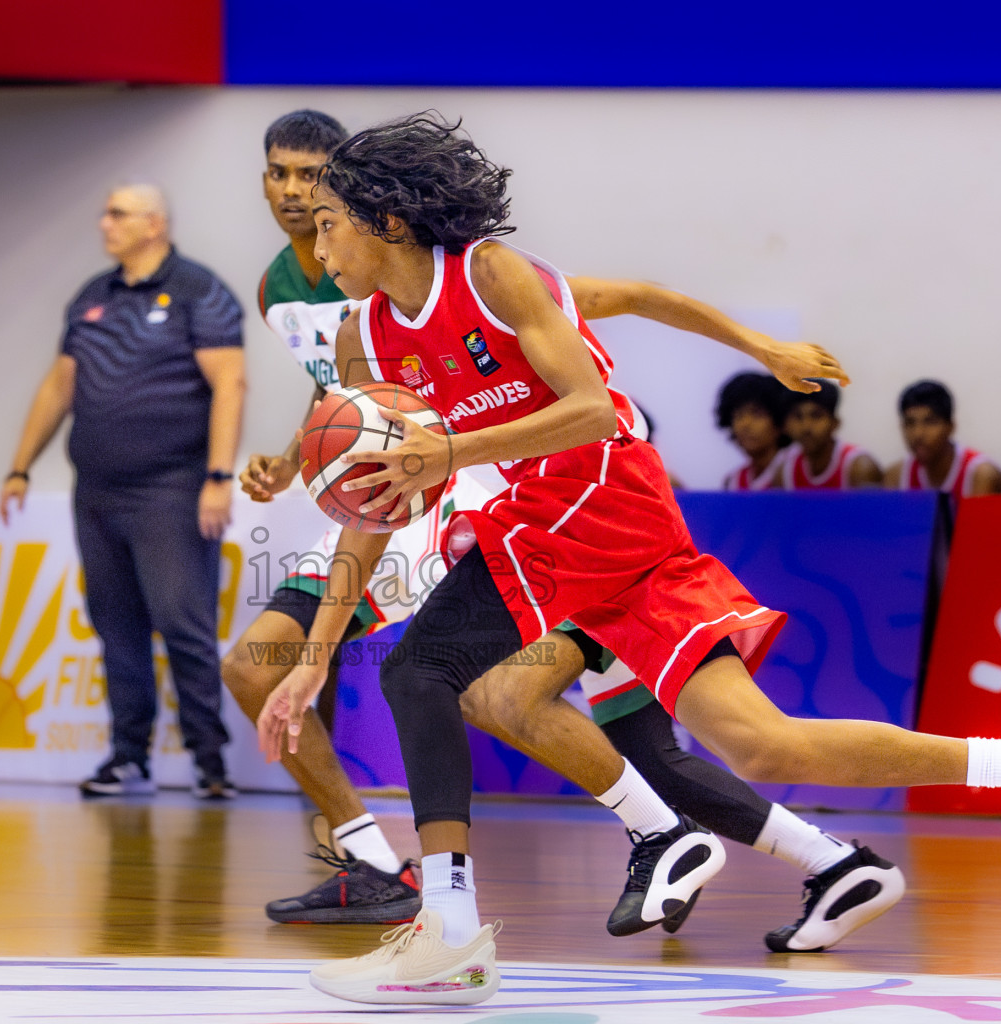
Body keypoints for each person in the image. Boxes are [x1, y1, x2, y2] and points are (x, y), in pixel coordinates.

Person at [257, 113, 1001, 1006]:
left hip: (605, 502)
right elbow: (369, 506)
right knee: (760, 745)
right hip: (557, 527)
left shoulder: (491, 276)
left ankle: (465, 922)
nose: (315, 242)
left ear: (388, 222)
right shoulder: (361, 341)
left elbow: (594, 408)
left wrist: (450, 449)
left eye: (328, 221)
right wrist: (314, 655)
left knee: (427, 673)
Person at [227, 111, 905, 949]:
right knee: (501, 698)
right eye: (281, 176)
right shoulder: (323, 306)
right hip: (473, 515)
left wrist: (760, 345)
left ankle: (677, 843)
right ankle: (815, 860)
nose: (297, 196)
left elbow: (638, 299)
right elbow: (352, 422)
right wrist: (297, 460)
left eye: (315, 183)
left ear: (379, 205)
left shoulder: (490, 280)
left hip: (568, 506)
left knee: (539, 705)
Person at [0, 183, 246, 800]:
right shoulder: (93, 295)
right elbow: (60, 387)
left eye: (118, 213)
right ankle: (128, 755)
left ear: (154, 224)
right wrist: (20, 465)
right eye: (105, 211)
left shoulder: (199, 290)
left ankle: (209, 762)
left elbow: (231, 384)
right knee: (116, 626)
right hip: (98, 491)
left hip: (173, 488)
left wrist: (219, 477)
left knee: (182, 621)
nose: (104, 222)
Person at [885, 379, 1001, 497]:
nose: (918, 434)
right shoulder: (896, 476)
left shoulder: (980, 475)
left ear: (951, 427)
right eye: (910, 423)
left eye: (930, 422)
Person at [780, 382, 882, 489]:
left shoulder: (860, 468)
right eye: (798, 416)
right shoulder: (785, 470)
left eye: (816, 416)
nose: (806, 427)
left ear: (835, 423)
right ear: (786, 425)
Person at [716, 372, 790, 490]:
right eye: (738, 415)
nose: (745, 424)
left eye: (757, 414)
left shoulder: (794, 470)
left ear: (780, 422)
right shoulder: (733, 481)